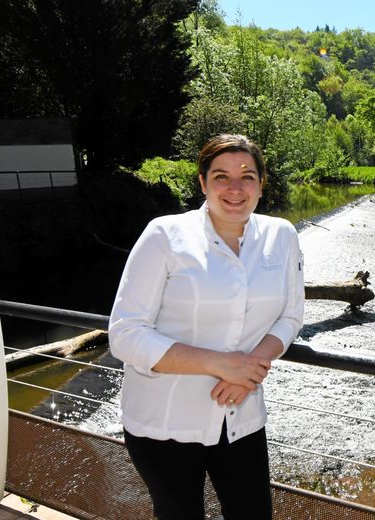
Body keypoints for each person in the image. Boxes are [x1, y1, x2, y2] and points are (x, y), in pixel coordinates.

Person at [109, 134, 304, 520]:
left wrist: (248, 371)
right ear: (202, 182)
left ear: (262, 185)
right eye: (221, 177)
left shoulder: (282, 236)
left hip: (240, 417)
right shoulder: (164, 235)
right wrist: (220, 364)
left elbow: (291, 316)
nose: (235, 188)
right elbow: (126, 334)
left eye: (247, 176)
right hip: (164, 423)